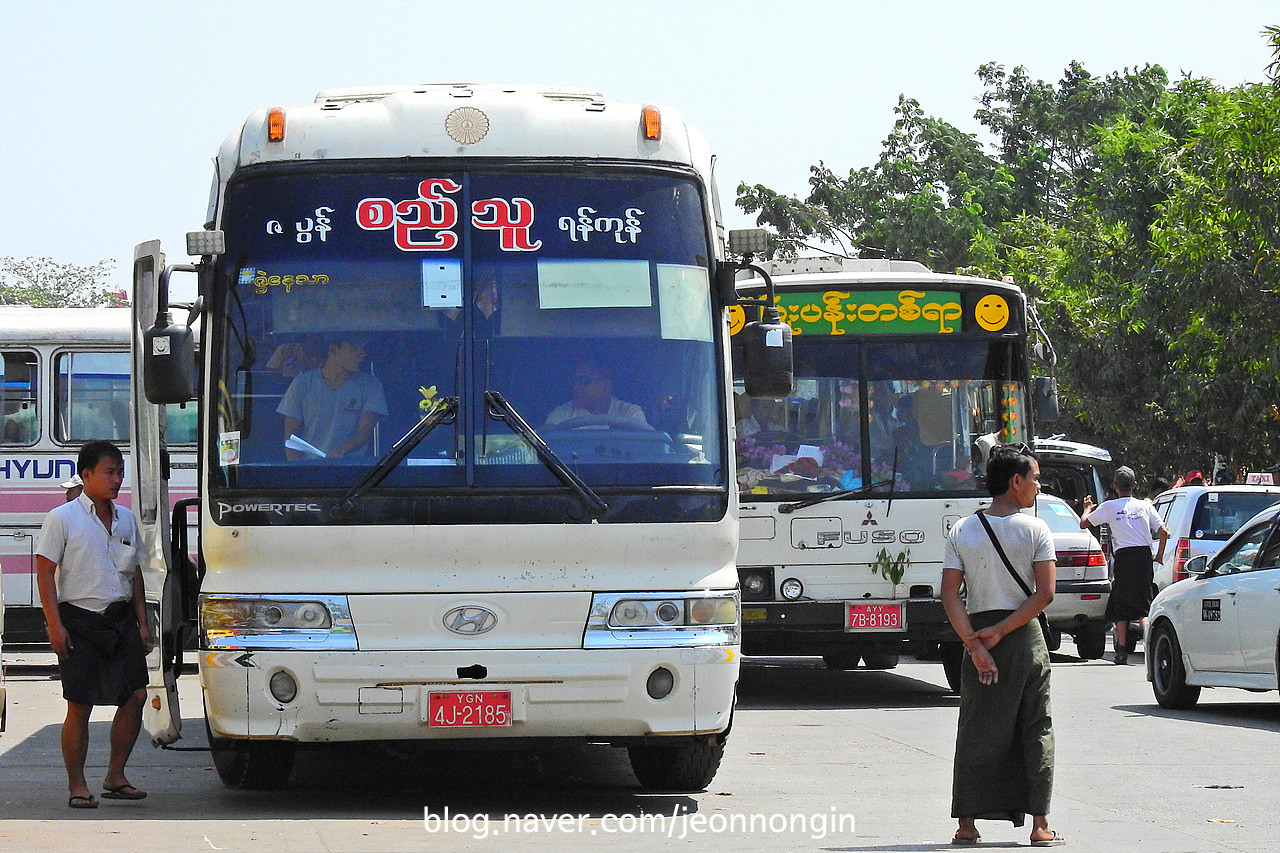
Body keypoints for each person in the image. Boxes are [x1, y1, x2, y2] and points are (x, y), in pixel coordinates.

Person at [941, 444, 1064, 847]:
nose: (1038, 486)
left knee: (976, 729)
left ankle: (967, 825)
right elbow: (1044, 594)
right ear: (1015, 482)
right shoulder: (1036, 530)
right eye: (1035, 478)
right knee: (1036, 728)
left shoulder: (962, 529)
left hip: (975, 634)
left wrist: (975, 645)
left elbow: (949, 595)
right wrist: (1003, 631)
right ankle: (1040, 825)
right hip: (1024, 639)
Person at [35, 441, 153, 809]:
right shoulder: (62, 518)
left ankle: (115, 776)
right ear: (86, 475)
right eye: (109, 472)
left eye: (120, 472)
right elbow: (44, 572)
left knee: (136, 696)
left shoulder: (127, 519)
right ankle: (77, 785)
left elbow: (134, 573)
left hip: (120, 621)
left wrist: (142, 621)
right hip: (79, 622)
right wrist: (55, 626)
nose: (117, 479)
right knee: (80, 704)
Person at [1079, 466, 1168, 664]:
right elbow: (1163, 531)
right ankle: (1151, 646)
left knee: (1121, 602)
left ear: (1115, 486)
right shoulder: (1145, 506)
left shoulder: (1110, 506)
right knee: (1143, 606)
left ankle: (1121, 648)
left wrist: (1087, 509)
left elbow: (1084, 523)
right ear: (1135, 486)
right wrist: (1159, 555)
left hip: (1124, 557)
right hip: (1144, 556)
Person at [278, 335, 388, 460]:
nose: (362, 354)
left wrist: (341, 451)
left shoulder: (371, 385)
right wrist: (297, 470)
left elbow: (366, 430)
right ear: (333, 349)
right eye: (354, 349)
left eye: (363, 349)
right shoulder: (301, 384)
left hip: (355, 468)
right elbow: (292, 435)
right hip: (309, 467)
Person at [542, 362, 649, 429]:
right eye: (574, 381)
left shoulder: (630, 413)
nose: (576, 386)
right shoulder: (562, 414)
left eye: (584, 380)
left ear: (606, 384)